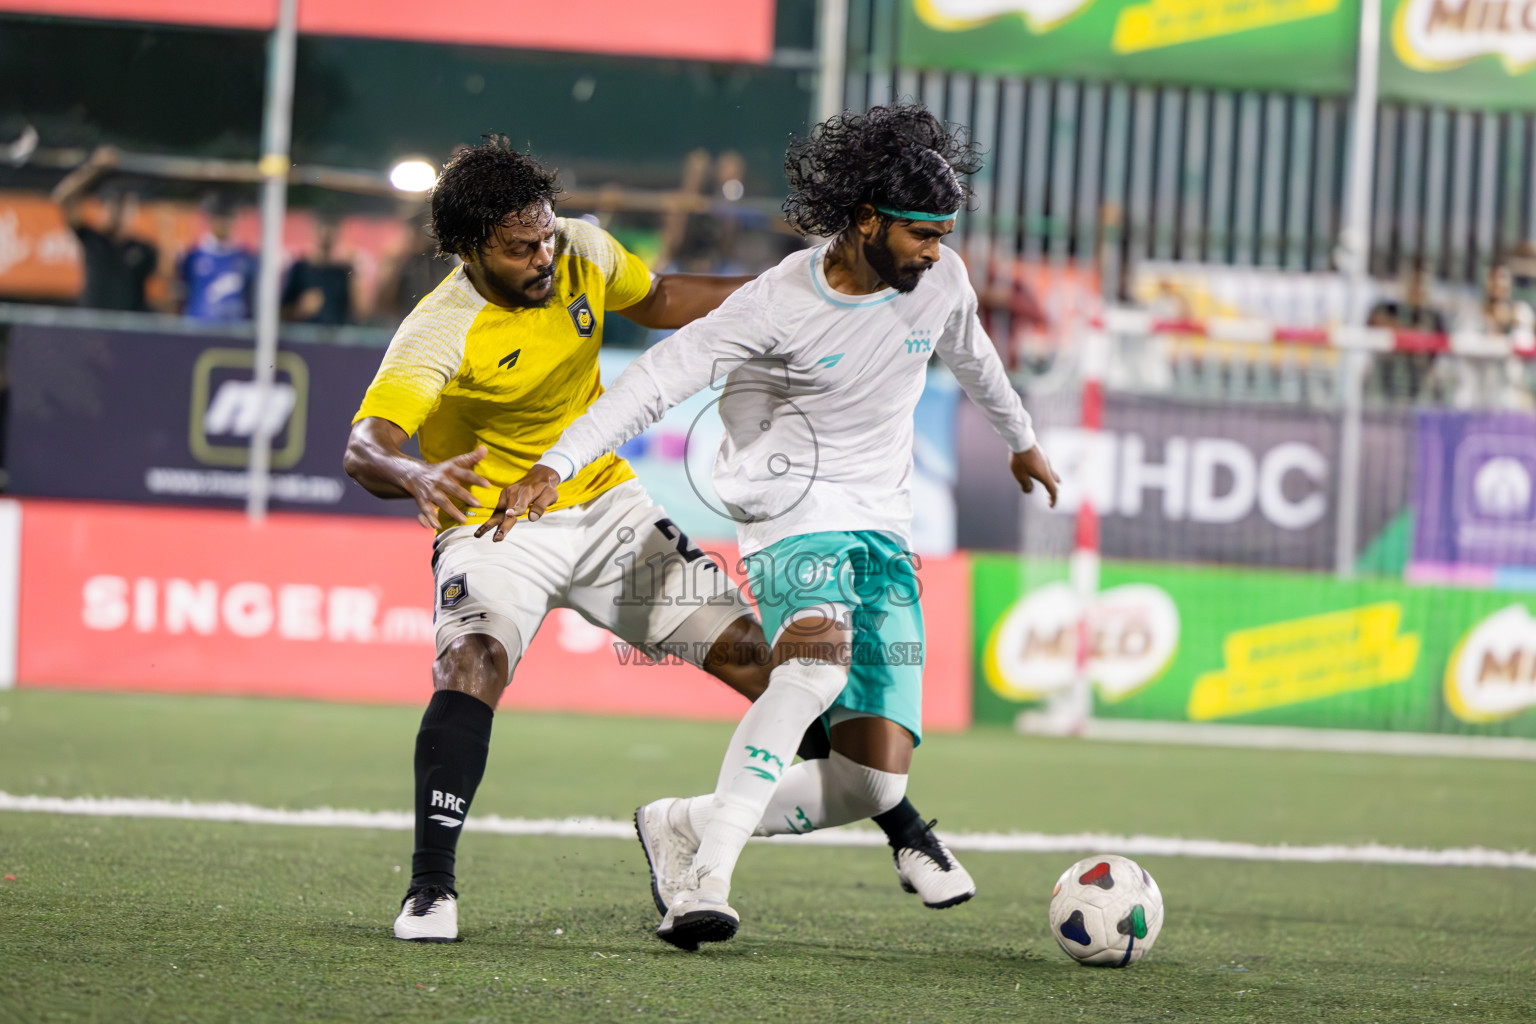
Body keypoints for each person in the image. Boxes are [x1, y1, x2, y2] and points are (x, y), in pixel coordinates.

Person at [342, 136, 979, 945]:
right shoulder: (439, 330)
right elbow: (365, 445)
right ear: (469, 250)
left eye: (545, 235)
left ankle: (901, 824)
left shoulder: (581, 249)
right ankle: (431, 889)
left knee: (769, 665)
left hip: (609, 509)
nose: (545, 255)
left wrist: (798, 294)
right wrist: (416, 476)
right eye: (520, 248)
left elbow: (666, 296)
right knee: (473, 664)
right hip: (498, 526)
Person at [507, 104, 1060, 950]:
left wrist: (1022, 442)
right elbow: (652, 381)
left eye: (945, 234)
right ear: (867, 220)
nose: (936, 251)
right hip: (792, 513)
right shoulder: (775, 304)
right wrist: (558, 462)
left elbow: (975, 354)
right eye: (921, 234)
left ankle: (680, 823)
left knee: (871, 780)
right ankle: (705, 883)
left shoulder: (939, 282)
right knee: (808, 675)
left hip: (884, 523)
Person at [50, 146, 158, 312]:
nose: (118, 212)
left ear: (133, 212)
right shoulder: (92, 238)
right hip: (92, 326)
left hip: (127, 329)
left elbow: (165, 284)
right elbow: (63, 198)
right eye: (113, 205)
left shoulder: (143, 248)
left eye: (124, 206)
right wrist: (95, 169)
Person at [178, 195, 257, 322]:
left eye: (229, 217)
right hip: (199, 326)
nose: (224, 223)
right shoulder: (194, 255)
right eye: (219, 217)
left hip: (235, 328)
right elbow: (182, 290)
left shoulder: (246, 257)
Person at [281, 217, 354, 325]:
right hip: (304, 336)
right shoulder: (299, 268)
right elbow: (281, 312)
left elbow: (358, 313)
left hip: (335, 337)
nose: (327, 236)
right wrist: (299, 309)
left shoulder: (342, 272)